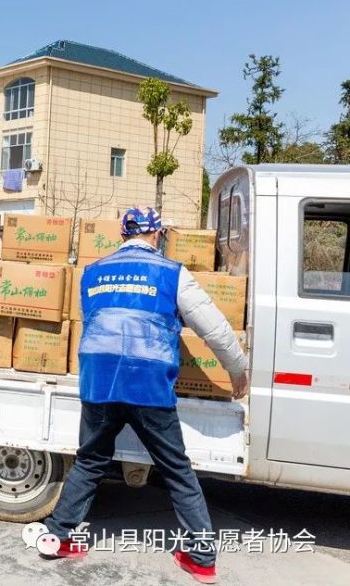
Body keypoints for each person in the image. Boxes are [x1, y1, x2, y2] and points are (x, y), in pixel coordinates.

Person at [40, 207, 249, 585]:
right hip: (147, 383)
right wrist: (237, 369)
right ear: (157, 235)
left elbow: (96, 322)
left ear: (123, 235)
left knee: (90, 460)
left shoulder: (93, 272)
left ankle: (60, 536)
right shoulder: (171, 273)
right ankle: (201, 558)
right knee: (175, 469)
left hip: (99, 381)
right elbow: (213, 328)